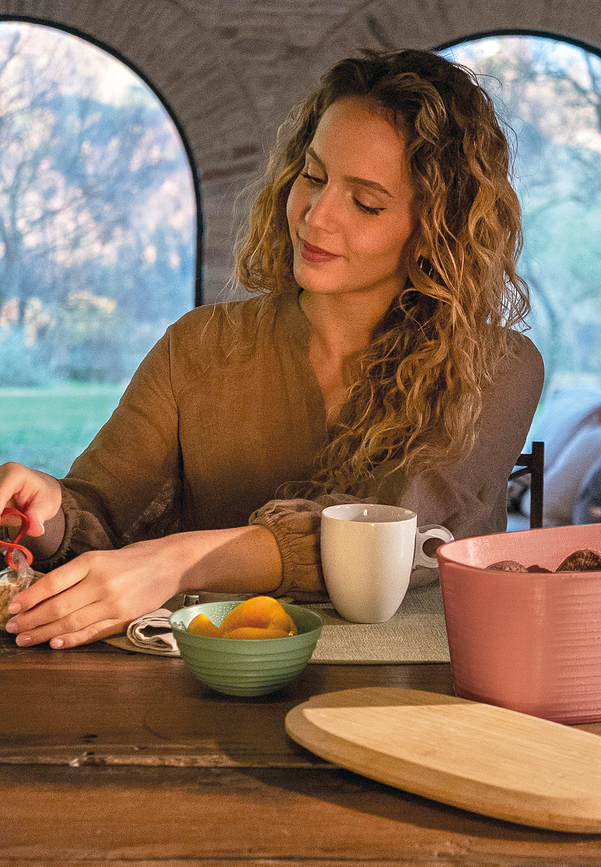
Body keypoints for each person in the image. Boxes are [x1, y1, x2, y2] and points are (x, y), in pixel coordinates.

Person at [0, 48, 544, 649]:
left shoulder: (495, 369)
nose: (315, 214)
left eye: (365, 202)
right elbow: (97, 526)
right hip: (209, 694)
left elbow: (393, 541)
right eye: (313, 176)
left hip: (416, 699)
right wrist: (44, 509)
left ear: (436, 228)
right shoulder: (199, 347)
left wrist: (177, 563)